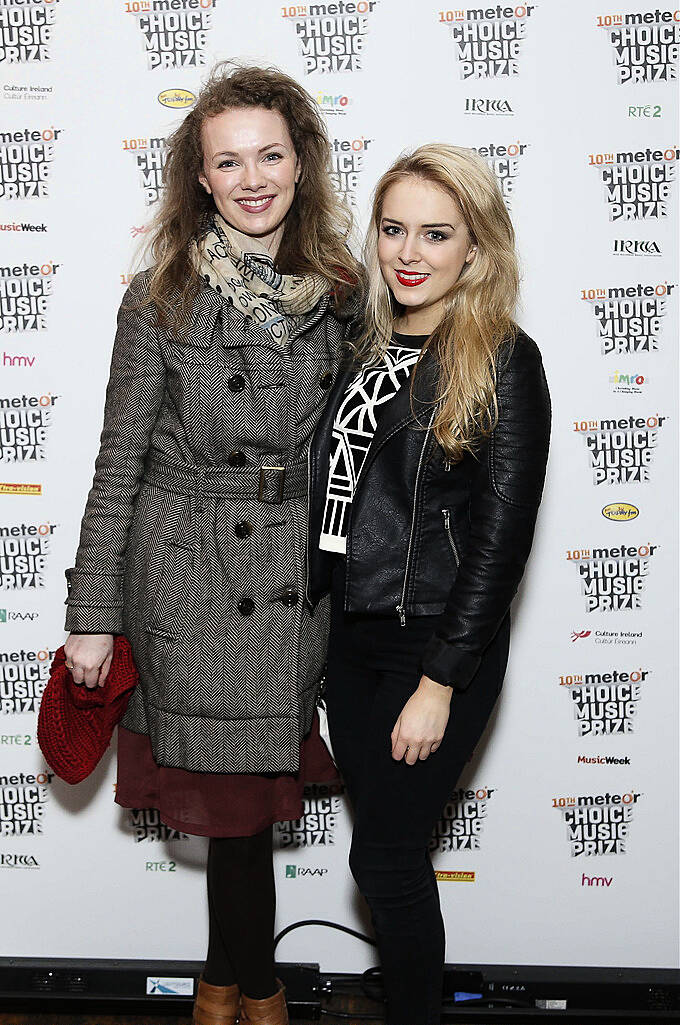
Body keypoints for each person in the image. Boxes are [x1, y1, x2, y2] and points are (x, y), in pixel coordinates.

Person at [62, 62, 360, 1025]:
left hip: (292, 579)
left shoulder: (344, 293)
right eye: (227, 161)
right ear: (199, 176)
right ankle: (258, 993)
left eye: (270, 154)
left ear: (301, 162)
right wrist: (91, 615)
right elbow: (119, 463)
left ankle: (222, 985)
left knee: (246, 815)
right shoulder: (162, 296)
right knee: (234, 814)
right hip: (190, 575)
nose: (252, 178)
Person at [307, 144, 551, 1025]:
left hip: (432, 647)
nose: (409, 252)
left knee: (384, 861)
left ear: (475, 249)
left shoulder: (504, 363)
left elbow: (500, 542)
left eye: (436, 234)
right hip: (351, 640)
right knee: (388, 855)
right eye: (394, 228)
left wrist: (441, 679)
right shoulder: (361, 345)